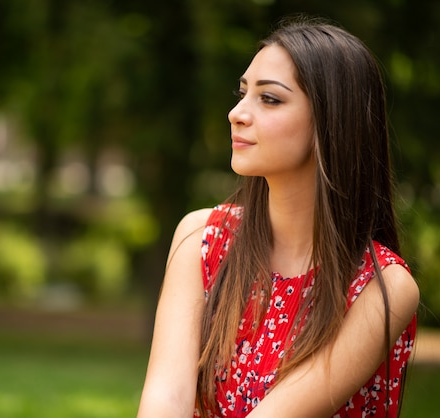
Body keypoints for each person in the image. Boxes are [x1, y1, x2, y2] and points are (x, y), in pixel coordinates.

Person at [137, 16, 420, 418]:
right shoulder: (202, 238)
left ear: (330, 122)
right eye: (242, 93)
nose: (237, 113)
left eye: (269, 99)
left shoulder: (384, 288)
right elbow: (165, 399)